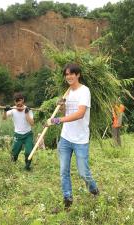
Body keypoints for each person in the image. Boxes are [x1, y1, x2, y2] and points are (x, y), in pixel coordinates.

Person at [46, 63, 99, 209]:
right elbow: (66, 114)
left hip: (80, 139)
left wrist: (57, 120)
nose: (68, 76)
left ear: (78, 75)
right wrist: (62, 106)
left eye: (71, 74)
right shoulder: (67, 92)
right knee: (64, 171)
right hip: (65, 138)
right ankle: (67, 198)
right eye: (66, 74)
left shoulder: (85, 91)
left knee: (83, 172)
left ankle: (94, 190)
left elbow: (80, 113)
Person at [2, 93, 34, 171]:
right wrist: (5, 111)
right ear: (14, 102)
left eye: (20, 101)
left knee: (29, 152)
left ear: (23, 100)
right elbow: (4, 118)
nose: (19, 104)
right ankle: (12, 166)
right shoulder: (13, 110)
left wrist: (26, 113)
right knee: (14, 153)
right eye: (17, 102)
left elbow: (32, 123)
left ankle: (27, 167)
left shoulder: (28, 110)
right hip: (18, 135)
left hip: (28, 135)